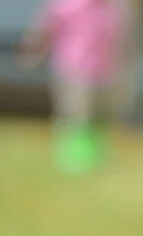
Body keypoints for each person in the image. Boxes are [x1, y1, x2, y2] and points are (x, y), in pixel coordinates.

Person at [20, 0, 134, 174]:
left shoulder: (113, 9)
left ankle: (95, 158)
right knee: (76, 115)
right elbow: (46, 28)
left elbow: (121, 42)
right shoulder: (68, 4)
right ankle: (74, 160)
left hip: (104, 72)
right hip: (73, 69)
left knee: (99, 116)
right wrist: (32, 51)